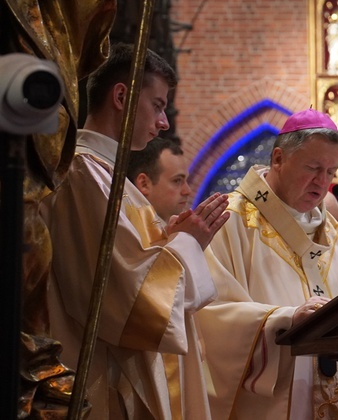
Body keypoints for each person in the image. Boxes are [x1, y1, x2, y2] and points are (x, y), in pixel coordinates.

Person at [41, 43, 230, 418]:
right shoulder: (84, 173)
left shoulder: (110, 178)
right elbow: (130, 300)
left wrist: (170, 241)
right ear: (122, 96)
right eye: (158, 105)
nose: (164, 123)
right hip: (95, 379)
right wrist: (189, 243)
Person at [195, 108, 338, 418]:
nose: (321, 182)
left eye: (330, 171)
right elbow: (209, 317)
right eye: (313, 167)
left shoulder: (330, 231)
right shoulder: (231, 221)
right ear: (279, 159)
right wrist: (284, 321)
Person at [127, 136, 192, 223]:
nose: (187, 191)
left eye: (186, 180)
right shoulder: (128, 232)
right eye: (177, 180)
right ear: (144, 184)